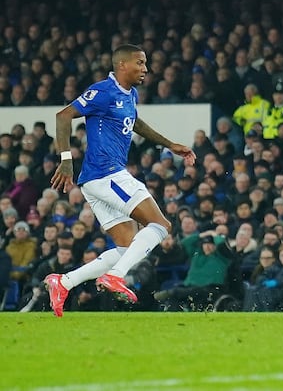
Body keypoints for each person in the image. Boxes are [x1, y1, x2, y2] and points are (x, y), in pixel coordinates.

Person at [45, 44, 197, 317]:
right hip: (107, 173)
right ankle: (116, 276)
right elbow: (63, 115)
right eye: (140, 63)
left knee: (128, 246)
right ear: (123, 65)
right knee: (161, 225)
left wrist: (169, 144)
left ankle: (64, 282)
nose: (145, 69)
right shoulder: (103, 91)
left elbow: (135, 122)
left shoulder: (130, 94)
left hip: (97, 180)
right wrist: (66, 159)